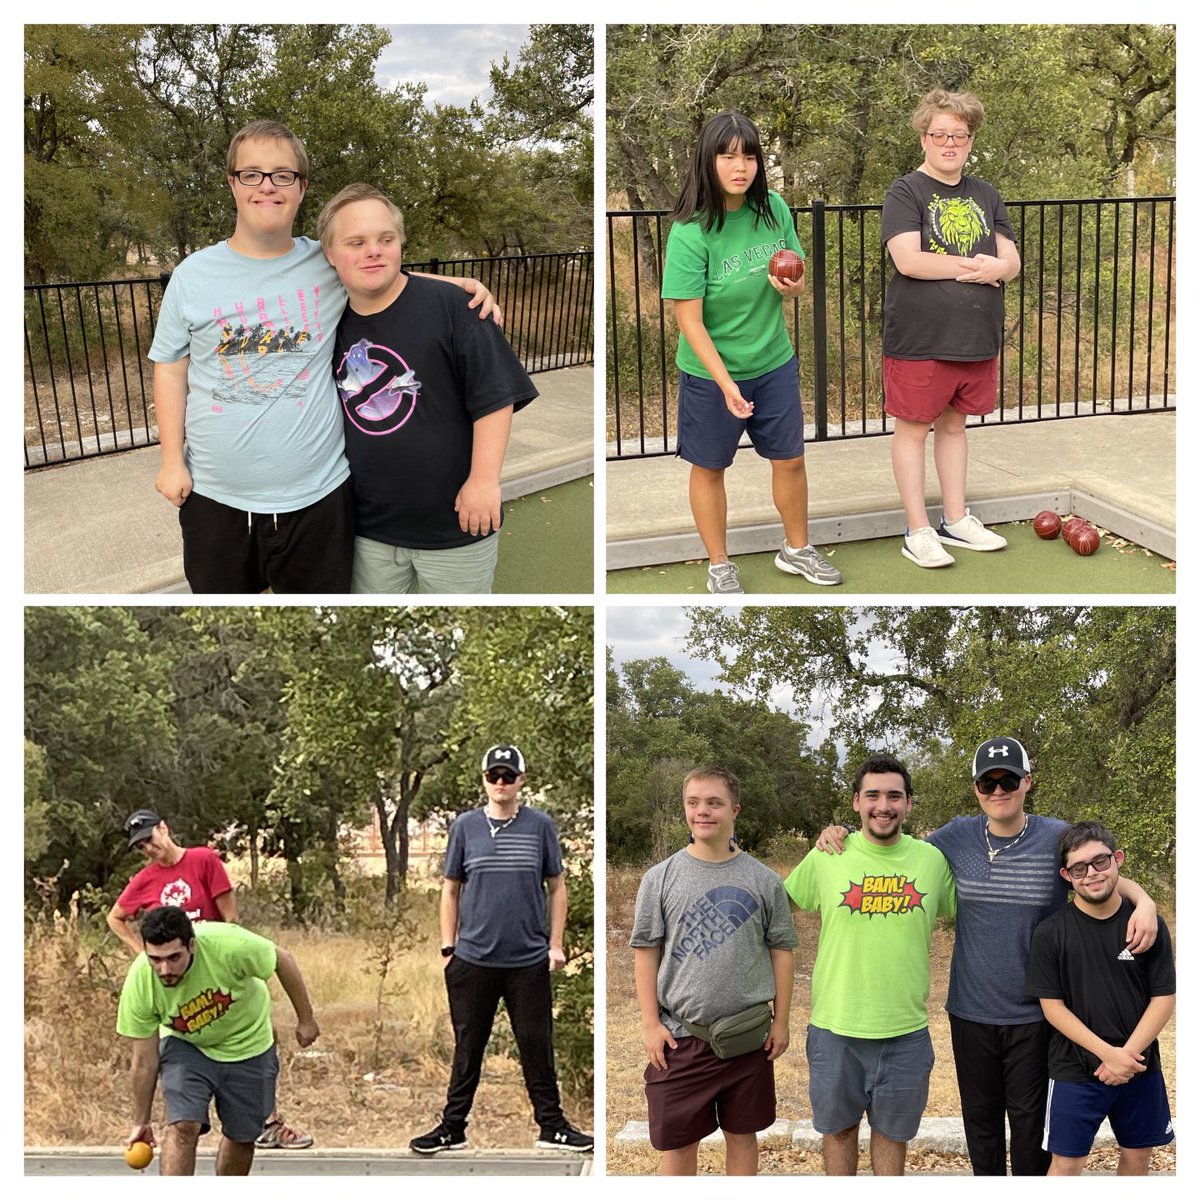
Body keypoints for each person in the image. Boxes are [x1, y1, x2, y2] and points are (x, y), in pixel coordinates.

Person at [149, 119, 498, 594]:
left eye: (282, 175)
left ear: (301, 187)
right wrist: (172, 460)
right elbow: (170, 369)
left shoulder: (323, 262)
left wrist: (460, 287)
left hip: (319, 497)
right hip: (216, 496)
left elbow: (379, 267)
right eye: (252, 173)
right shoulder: (193, 276)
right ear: (233, 183)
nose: (267, 186)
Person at [814, 735, 1159, 1175]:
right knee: (981, 1125)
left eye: (1008, 780)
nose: (998, 791)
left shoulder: (1055, 837)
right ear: (976, 788)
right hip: (971, 1010)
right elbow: (893, 843)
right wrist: (841, 831)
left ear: (1027, 782)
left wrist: (1143, 900)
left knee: (1031, 1127)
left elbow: (1098, 870)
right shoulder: (955, 837)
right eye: (987, 782)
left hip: (1037, 1012)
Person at [316, 183, 537, 594]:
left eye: (385, 239)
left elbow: (494, 398)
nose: (373, 250)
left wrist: (484, 481)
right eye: (356, 242)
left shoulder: (456, 307)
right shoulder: (326, 321)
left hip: (455, 520)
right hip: (367, 530)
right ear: (329, 254)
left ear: (401, 242)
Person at [661, 110, 842, 595]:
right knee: (711, 467)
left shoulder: (774, 210)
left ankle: (797, 549)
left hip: (773, 362)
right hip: (710, 373)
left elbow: (794, 285)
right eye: (727, 156)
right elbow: (689, 321)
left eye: (748, 156)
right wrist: (726, 387)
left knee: (790, 460)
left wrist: (794, 287)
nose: (739, 167)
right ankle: (720, 564)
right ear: (708, 161)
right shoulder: (690, 231)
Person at [409, 745, 592, 1154]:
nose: (501, 783)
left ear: (521, 780)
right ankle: (452, 1128)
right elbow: (450, 889)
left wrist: (556, 944)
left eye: (509, 776)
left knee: (536, 1044)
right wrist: (447, 946)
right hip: (473, 959)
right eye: (494, 776)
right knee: (468, 1047)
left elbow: (557, 886)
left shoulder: (540, 826)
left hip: (527, 960)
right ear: (484, 780)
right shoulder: (466, 828)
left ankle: (553, 1126)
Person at [784, 755, 955, 1176]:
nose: (884, 805)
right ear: (857, 801)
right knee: (839, 1132)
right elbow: (776, 907)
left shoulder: (931, 861)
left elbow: (980, 908)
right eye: (873, 795)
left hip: (906, 1031)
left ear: (909, 804)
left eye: (894, 796)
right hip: (836, 1026)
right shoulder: (828, 854)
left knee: (892, 1137)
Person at [108, 809, 313, 1150]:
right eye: (140, 846)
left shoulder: (202, 859)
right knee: (184, 1054)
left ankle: (267, 1119)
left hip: (218, 963)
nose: (147, 848)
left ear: (164, 828)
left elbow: (230, 916)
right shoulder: (145, 879)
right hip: (175, 976)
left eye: (150, 838)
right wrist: (146, 954)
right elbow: (115, 917)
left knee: (260, 1036)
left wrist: (221, 950)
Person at [629, 766, 797, 1176]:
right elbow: (646, 952)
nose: (702, 811)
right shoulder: (660, 878)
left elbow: (783, 950)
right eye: (694, 802)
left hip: (747, 1037)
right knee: (679, 1145)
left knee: (743, 1136)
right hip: (681, 1038)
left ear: (734, 810)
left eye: (714, 803)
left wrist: (782, 1021)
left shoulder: (764, 879)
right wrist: (651, 1023)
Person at [882, 90, 1021, 569]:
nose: (949, 144)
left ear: (969, 140)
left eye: (958, 136)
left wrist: (997, 270)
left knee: (956, 426)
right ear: (925, 138)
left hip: (976, 336)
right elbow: (909, 259)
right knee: (913, 429)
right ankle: (917, 529)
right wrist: (978, 267)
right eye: (940, 134)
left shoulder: (986, 194)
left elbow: (1012, 260)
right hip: (921, 337)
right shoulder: (906, 191)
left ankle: (956, 519)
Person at [116, 905, 320, 1175]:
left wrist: (305, 1018)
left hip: (248, 1044)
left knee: (242, 1135)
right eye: (155, 959)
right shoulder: (141, 980)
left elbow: (282, 959)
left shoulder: (229, 944)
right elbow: (144, 1061)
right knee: (182, 1126)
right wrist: (140, 1122)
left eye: (174, 957)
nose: (164, 969)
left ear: (192, 945)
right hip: (187, 1046)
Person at [1026, 820, 1175, 1176]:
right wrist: (1108, 1055)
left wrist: (1126, 1058)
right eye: (1079, 867)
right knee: (1066, 1164)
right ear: (1066, 875)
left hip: (1139, 1065)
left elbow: (1164, 998)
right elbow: (1053, 1007)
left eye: (1100, 862)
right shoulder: (1050, 933)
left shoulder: (1147, 925)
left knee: (1139, 1155)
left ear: (1117, 859)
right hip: (1074, 1070)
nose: (1091, 873)